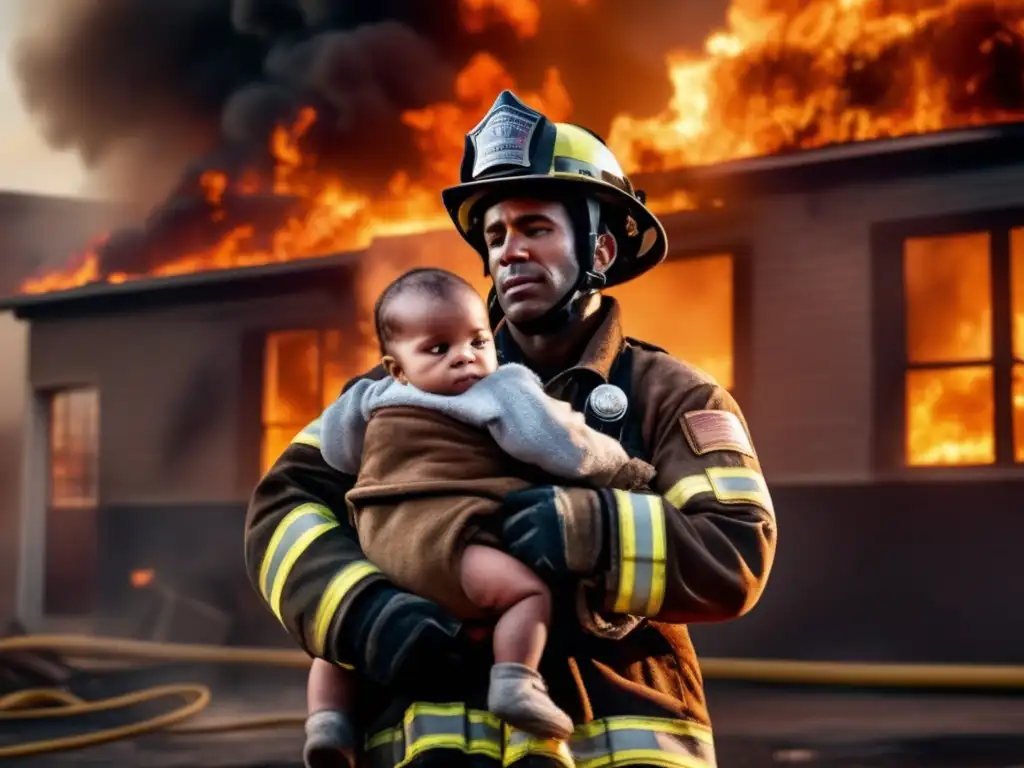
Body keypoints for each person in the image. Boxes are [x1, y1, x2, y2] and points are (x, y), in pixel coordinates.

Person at [244, 89, 778, 768]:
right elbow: (281, 511)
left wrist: (595, 530)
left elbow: (737, 549)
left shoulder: (670, 395)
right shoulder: (400, 393)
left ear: (601, 248)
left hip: (617, 739)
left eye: (536, 229)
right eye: (495, 236)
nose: (510, 252)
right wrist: (361, 611)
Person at [304, 266, 656, 763]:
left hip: (378, 551)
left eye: (477, 341)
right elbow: (559, 444)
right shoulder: (499, 389)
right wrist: (621, 470)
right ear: (396, 367)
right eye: (439, 349)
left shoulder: (367, 396)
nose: (466, 358)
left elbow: (337, 454)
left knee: (340, 640)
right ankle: (516, 681)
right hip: (453, 539)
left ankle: (328, 722)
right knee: (526, 594)